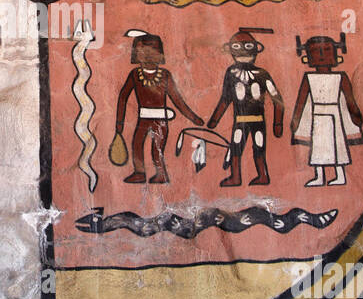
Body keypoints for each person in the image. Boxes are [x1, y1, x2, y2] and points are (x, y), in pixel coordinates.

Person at [114, 30, 203, 184]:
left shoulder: (164, 75)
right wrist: (119, 123)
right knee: (136, 145)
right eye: (143, 52)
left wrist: (194, 118)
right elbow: (123, 97)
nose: (148, 56)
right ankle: (139, 172)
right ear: (137, 54)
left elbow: (177, 99)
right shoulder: (135, 74)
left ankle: (161, 174)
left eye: (152, 52)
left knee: (157, 149)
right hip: (143, 118)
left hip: (160, 120)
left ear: (159, 54)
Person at [207, 27, 284, 187]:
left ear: (255, 49)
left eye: (247, 47)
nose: (242, 52)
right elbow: (225, 98)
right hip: (240, 120)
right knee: (236, 148)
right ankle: (236, 177)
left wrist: (278, 123)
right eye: (237, 47)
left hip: (258, 120)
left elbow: (277, 99)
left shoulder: (262, 74)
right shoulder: (231, 73)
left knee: (259, 148)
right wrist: (214, 120)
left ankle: (262, 175)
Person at [290, 34, 363, 186]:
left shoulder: (340, 77)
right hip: (318, 116)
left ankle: (340, 175)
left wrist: (355, 114)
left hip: (334, 114)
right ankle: (319, 176)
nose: (322, 56)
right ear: (308, 57)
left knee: (338, 146)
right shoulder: (309, 78)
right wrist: (296, 120)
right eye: (317, 52)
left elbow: (350, 99)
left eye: (326, 51)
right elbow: (301, 102)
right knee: (317, 147)